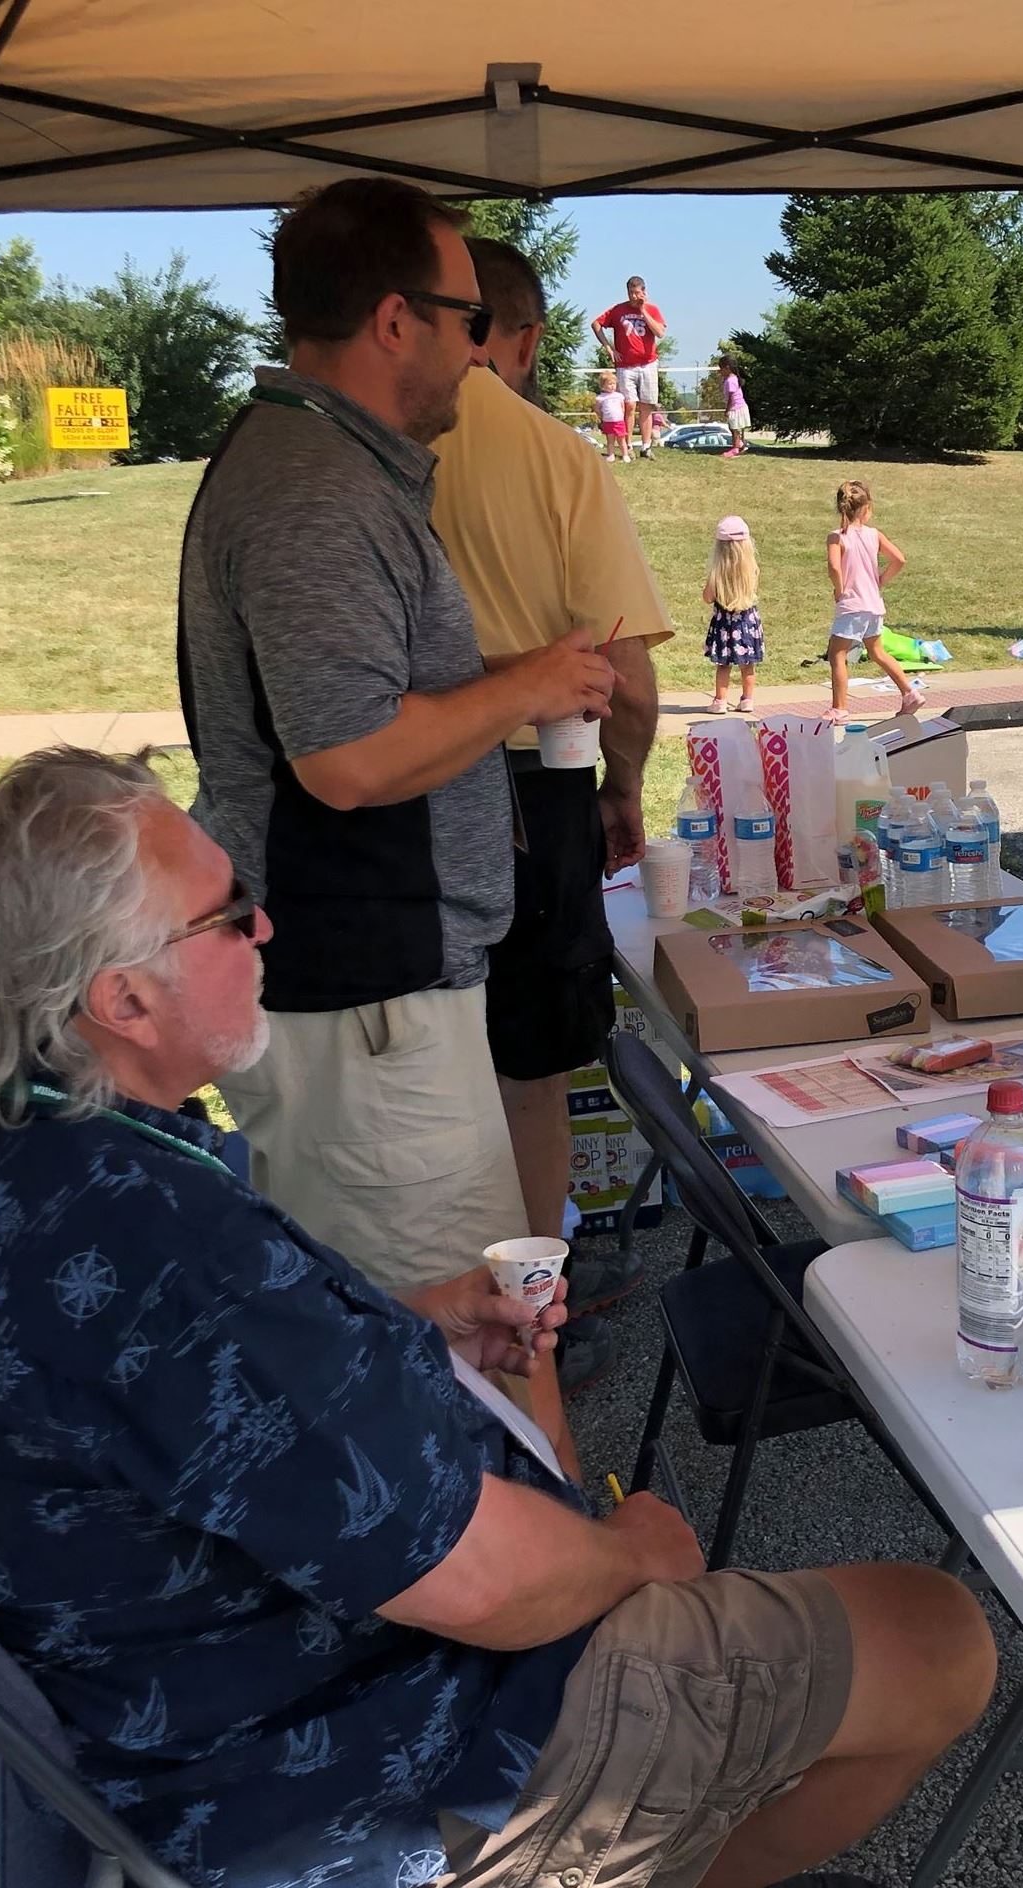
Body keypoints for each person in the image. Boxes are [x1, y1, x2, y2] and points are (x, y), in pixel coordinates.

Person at [0, 748, 998, 1888]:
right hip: (340, 1748)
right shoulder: (147, 1238)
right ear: (123, 1001)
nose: (265, 926)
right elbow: (481, 1587)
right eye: (226, 913)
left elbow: (168, 1398)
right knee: (933, 1640)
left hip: (210, 1682)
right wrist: (631, 1555)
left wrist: (401, 1324)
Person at [177, 177, 618, 1312]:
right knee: (450, 1339)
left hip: (375, 990)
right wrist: (529, 684)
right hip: (364, 999)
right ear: (392, 320)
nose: (478, 352)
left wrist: (511, 680)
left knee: (432, 1320)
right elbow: (349, 758)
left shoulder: (330, 466)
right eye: (469, 321)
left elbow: (356, 701)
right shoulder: (315, 492)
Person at [431, 233, 671, 1357]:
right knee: (530, 1068)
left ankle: (433, 1300)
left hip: (393, 788)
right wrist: (625, 785)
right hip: (540, 780)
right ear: (521, 338)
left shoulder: (361, 446)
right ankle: (530, 1314)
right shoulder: (552, 454)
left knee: (427, 1061)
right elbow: (624, 672)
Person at [825, 480, 919, 718]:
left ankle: (839, 708)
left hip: (852, 604)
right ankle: (910, 692)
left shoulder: (837, 537)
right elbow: (899, 559)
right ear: (866, 508)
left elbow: (834, 567)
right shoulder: (874, 535)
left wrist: (839, 589)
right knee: (877, 652)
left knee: (837, 654)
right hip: (873, 604)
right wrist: (880, 581)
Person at [592, 275, 669, 457]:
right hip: (625, 366)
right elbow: (596, 324)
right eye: (631, 293)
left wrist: (643, 310)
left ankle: (646, 446)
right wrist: (608, 347)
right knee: (629, 405)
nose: (634, 296)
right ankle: (627, 446)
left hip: (648, 363)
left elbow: (660, 333)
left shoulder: (652, 309)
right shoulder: (618, 310)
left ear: (644, 291)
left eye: (637, 292)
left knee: (647, 405)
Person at [704, 514, 765, 712]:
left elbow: (707, 597)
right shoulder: (751, 570)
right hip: (747, 622)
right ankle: (747, 699)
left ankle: (720, 701)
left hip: (724, 624)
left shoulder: (717, 573)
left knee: (723, 665)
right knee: (748, 664)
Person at [720, 354, 753, 458]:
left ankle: (735, 448)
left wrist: (727, 409)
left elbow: (731, 397)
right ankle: (740, 444)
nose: (720, 371)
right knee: (732, 428)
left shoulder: (731, 380)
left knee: (734, 429)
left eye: (721, 369)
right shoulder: (731, 379)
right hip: (736, 407)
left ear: (727, 368)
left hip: (736, 408)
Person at [596, 367, 631, 460]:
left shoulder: (619, 396)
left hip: (619, 421)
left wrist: (621, 416)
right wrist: (602, 416)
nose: (612, 386)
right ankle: (611, 455)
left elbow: (622, 407)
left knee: (621, 439)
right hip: (608, 422)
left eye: (614, 384)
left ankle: (625, 455)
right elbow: (597, 409)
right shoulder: (601, 398)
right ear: (603, 386)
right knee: (610, 440)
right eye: (609, 384)